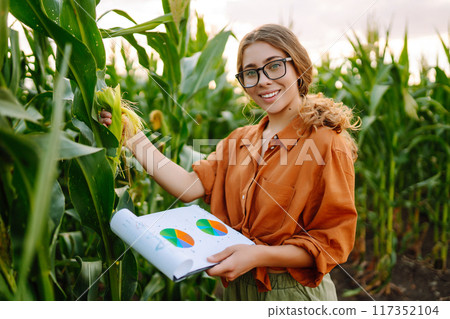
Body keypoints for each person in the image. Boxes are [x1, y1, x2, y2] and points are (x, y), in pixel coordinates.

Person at [100, 24, 359, 301]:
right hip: (236, 290)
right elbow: (188, 187)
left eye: (274, 66)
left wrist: (258, 255)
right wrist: (134, 138)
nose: (262, 81)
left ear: (299, 67)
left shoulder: (327, 143)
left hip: (292, 293)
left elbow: (331, 243)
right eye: (251, 73)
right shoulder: (239, 140)